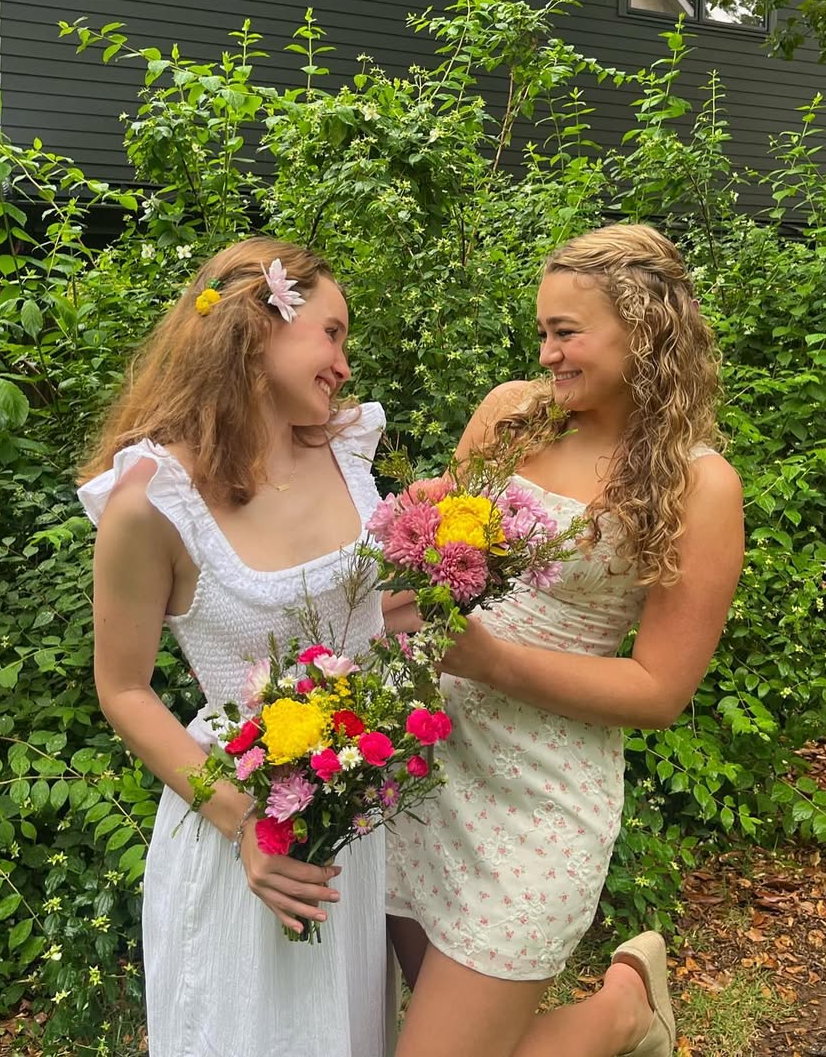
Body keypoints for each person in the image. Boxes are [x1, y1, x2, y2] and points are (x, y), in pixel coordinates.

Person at [385, 223, 745, 1057]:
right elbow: (448, 564)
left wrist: (491, 661)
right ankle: (626, 1012)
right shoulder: (512, 418)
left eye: (566, 332)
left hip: (540, 797)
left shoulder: (697, 486)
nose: (547, 354)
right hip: (426, 763)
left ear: (644, 329)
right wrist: (407, 539)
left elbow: (659, 691)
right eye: (543, 332)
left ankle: (622, 1012)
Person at [78, 237, 393, 1057]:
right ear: (259, 324)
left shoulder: (346, 448)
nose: (344, 366)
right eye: (332, 334)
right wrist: (244, 822)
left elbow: (376, 612)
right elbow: (123, 690)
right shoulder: (152, 503)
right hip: (243, 829)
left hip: (361, 816)